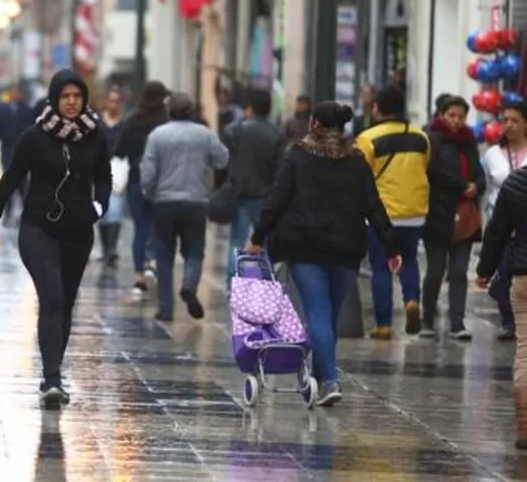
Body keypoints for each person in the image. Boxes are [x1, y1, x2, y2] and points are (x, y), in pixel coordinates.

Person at [247, 102, 400, 406]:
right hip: (346, 250)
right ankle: (317, 381)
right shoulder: (356, 161)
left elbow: (275, 200)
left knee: (318, 313)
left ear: (315, 124)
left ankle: (329, 382)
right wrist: (391, 246)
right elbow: (374, 206)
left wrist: (257, 238)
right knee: (327, 316)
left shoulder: (298, 156)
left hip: (305, 247)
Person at [0, 69, 111, 406]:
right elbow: (9, 181)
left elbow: (104, 176)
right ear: (55, 98)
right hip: (38, 229)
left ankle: (54, 369)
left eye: (76, 97)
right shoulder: (34, 137)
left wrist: (99, 206)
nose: (70, 102)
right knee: (51, 297)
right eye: (65, 96)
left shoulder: (95, 136)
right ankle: (51, 379)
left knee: (64, 303)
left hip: (79, 231)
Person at [140, 93, 229, 321]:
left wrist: (149, 193)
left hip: (165, 201)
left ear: (170, 111)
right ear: (191, 111)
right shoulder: (204, 134)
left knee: (164, 254)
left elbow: (148, 171)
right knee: (194, 252)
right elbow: (222, 159)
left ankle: (166, 308)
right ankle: (189, 285)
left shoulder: (157, 135)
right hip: (196, 201)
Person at [354, 86, 430, 339]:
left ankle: (384, 324)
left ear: (377, 108)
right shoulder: (421, 137)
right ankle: (411, 300)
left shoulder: (367, 138)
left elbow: (359, 173)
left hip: (382, 214)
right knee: (408, 260)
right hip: (415, 211)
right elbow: (425, 166)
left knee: (381, 267)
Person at [419, 95, 484, 340]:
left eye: (461, 116)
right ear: (441, 115)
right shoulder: (430, 139)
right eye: (452, 115)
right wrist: (461, 185)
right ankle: (428, 319)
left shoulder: (469, 140)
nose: (456, 121)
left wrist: (477, 186)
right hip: (438, 214)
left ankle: (458, 322)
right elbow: (433, 172)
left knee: (459, 272)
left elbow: (479, 172)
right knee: (435, 271)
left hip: (466, 214)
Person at [475, 164, 527, 448]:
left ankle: (524, 427)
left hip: (523, 275)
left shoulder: (516, 181)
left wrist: (485, 269)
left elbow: (497, 231)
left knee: (525, 351)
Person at [221, 88, 286, 288]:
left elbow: (224, 160)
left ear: (249, 108)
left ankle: (233, 284)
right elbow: (280, 170)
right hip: (266, 196)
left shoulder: (234, 130)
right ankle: (263, 284)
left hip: (240, 194)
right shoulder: (277, 134)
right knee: (263, 243)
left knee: (237, 241)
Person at [115, 81, 169, 297]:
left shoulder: (132, 121)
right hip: (161, 182)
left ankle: (138, 275)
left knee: (140, 228)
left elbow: (119, 151)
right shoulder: (166, 123)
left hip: (137, 180)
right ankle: (153, 262)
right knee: (158, 227)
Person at [484, 101, 527, 340]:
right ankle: (509, 321)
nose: (509, 125)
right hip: (500, 221)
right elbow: (486, 187)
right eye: (505, 120)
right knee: (502, 277)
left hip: (522, 227)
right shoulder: (492, 154)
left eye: (515, 120)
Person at [0, 83, 35, 222]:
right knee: (8, 178)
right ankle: (8, 210)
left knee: (22, 180)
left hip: (24, 149)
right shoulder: (2, 110)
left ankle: (26, 210)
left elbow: (32, 126)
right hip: (7, 148)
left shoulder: (27, 110)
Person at [98, 87, 125, 266]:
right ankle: (106, 248)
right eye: (111, 100)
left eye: (116, 101)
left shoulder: (124, 124)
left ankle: (112, 248)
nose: (113, 104)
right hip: (99, 169)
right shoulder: (99, 123)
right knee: (102, 210)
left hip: (118, 169)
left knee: (116, 209)